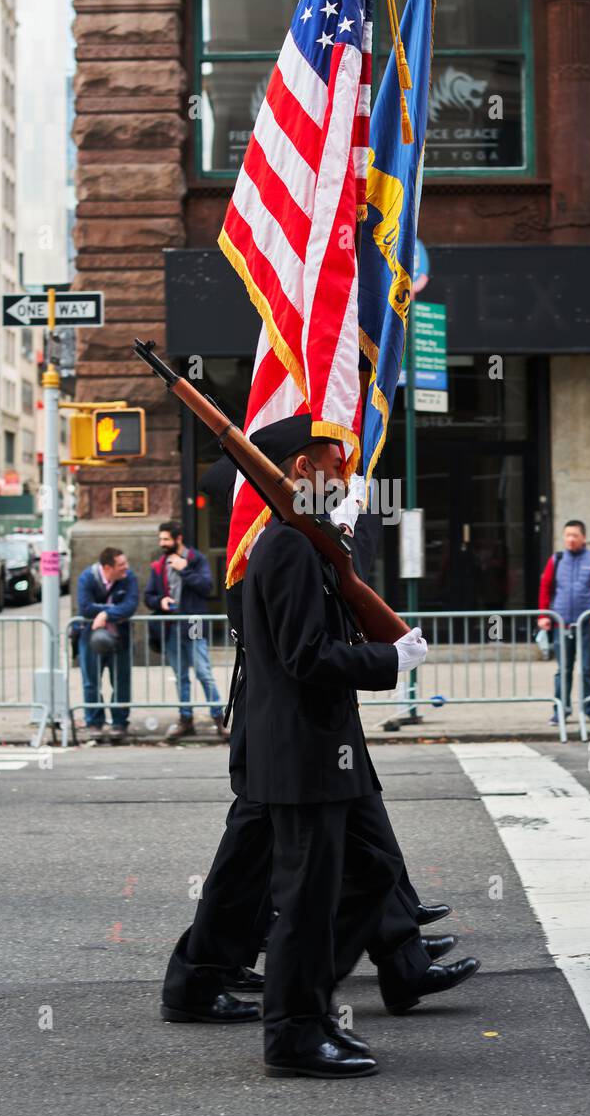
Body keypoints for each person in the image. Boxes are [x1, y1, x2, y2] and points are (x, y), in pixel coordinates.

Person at [161, 419, 477, 1076]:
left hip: (323, 750)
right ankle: (296, 1030)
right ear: (299, 471)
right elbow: (307, 657)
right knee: (307, 898)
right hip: (300, 753)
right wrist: (387, 659)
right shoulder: (288, 550)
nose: (345, 473)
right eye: (334, 462)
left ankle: (308, 997)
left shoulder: (307, 544)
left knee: (370, 874)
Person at [144, 521, 227, 742]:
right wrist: (161, 601)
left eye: (165, 539)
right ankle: (185, 719)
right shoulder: (159, 564)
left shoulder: (196, 559)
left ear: (178, 539)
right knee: (180, 675)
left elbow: (206, 587)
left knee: (203, 672)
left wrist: (185, 570)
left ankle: (220, 718)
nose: (162, 543)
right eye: (160, 539)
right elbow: (148, 595)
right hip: (171, 625)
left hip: (194, 622)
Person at [538, 519, 590, 727]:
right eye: (567, 535)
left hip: (586, 624)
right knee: (563, 669)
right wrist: (544, 615)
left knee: (589, 668)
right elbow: (546, 587)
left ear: (584, 538)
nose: (570, 540)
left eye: (575, 536)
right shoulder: (557, 560)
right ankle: (560, 709)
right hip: (561, 624)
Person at [76, 547, 138, 743]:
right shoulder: (87, 578)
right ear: (107, 567)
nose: (125, 568)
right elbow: (85, 607)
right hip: (90, 639)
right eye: (121, 565)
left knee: (121, 682)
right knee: (91, 682)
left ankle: (119, 723)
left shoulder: (129, 578)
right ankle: (94, 722)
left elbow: (131, 605)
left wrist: (105, 614)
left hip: (120, 638)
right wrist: (114, 610)